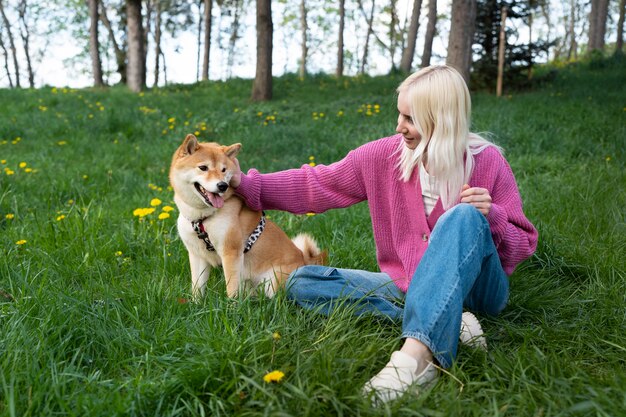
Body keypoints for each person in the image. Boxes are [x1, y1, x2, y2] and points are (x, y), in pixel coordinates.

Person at [230, 65, 538, 403]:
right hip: (406, 283)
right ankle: (450, 321)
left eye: (410, 118)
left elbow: (523, 245)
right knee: (300, 281)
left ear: (442, 119)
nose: (399, 126)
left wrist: (490, 216)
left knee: (463, 216)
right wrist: (247, 185)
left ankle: (414, 360)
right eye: (399, 114)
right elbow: (316, 184)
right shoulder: (382, 156)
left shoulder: (488, 162)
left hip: (479, 291)